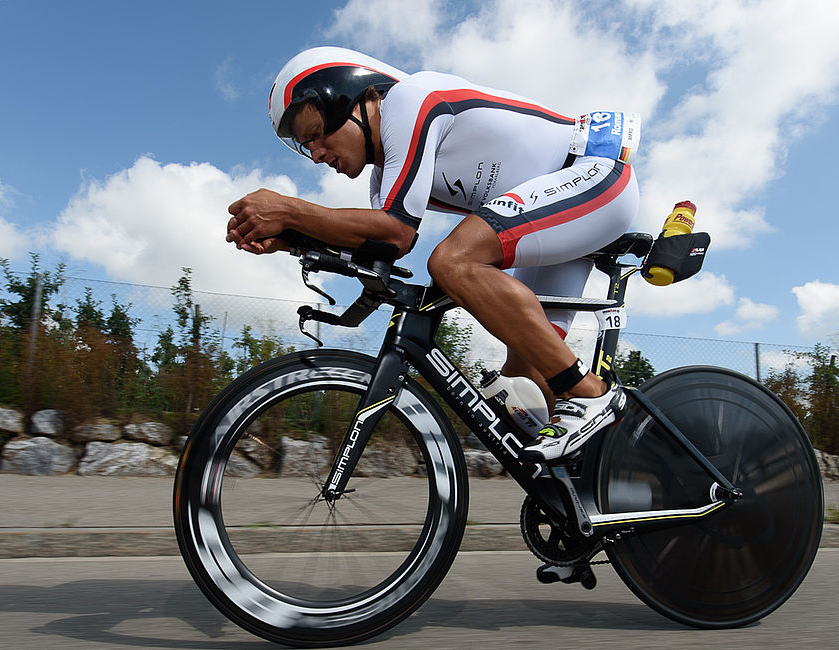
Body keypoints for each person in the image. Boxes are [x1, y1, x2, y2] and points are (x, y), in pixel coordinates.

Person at [227, 46, 639, 461]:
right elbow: (379, 246)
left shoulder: (409, 99)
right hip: (557, 215)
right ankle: (597, 488)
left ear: (355, 98)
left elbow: (397, 231)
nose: (316, 154)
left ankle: (590, 394)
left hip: (594, 173)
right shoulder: (382, 178)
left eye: (316, 132)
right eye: (305, 146)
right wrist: (290, 238)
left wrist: (288, 209)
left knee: (452, 262)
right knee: (525, 384)